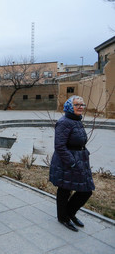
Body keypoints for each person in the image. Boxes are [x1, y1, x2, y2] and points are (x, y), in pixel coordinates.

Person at [49, 96, 95, 232]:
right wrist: (73, 162)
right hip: (67, 162)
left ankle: (69, 214)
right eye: (77, 105)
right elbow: (60, 146)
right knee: (65, 189)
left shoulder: (76, 120)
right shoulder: (64, 122)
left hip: (80, 159)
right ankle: (63, 217)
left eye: (82, 104)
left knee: (86, 190)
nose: (80, 107)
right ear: (69, 106)